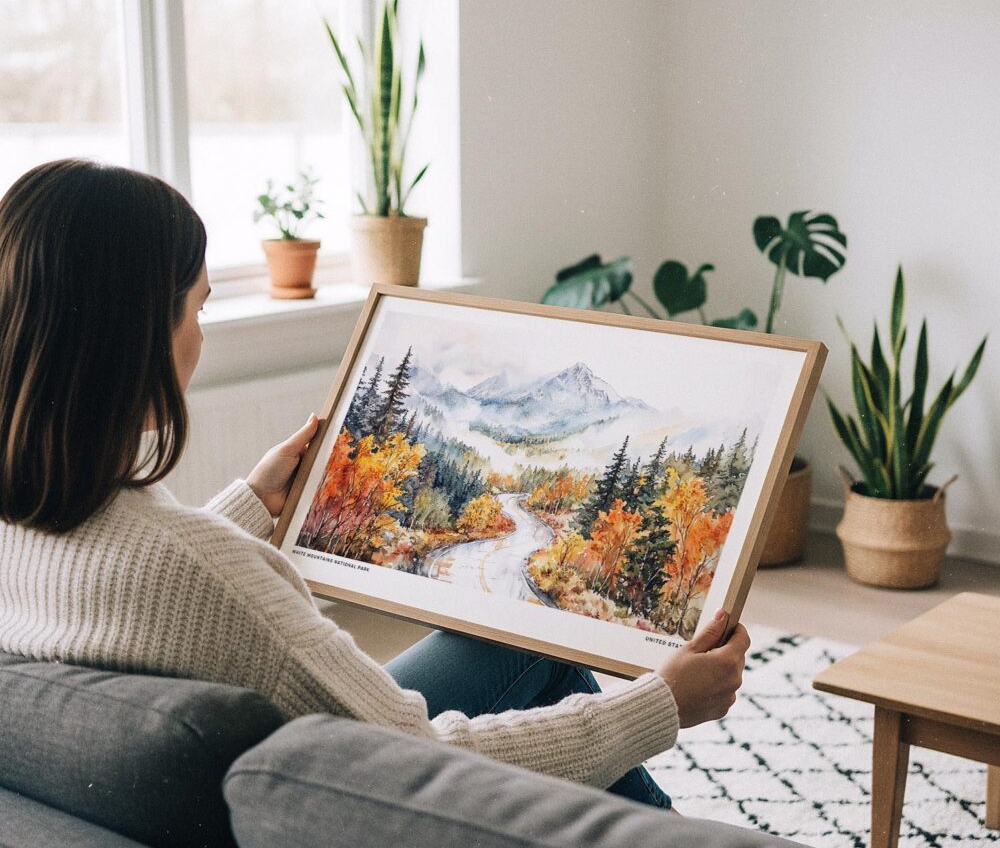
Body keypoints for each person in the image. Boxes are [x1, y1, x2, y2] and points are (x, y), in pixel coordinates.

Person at [0, 159, 749, 809]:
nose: (203, 334)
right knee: (547, 665)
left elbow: (139, 580)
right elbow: (419, 760)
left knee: (512, 645)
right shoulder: (207, 574)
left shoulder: (28, 524)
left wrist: (251, 506)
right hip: (363, 804)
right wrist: (660, 704)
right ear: (135, 338)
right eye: (198, 308)